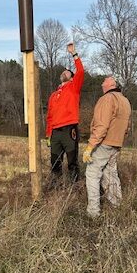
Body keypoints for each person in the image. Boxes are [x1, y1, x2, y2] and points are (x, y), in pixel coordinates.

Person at [82, 76, 131, 217]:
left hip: (104, 143)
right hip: (116, 144)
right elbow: (127, 127)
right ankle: (118, 207)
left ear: (111, 84)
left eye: (104, 81)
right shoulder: (125, 101)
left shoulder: (107, 99)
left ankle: (93, 213)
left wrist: (91, 146)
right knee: (110, 174)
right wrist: (119, 140)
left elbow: (102, 125)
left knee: (92, 174)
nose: (102, 83)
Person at [45, 43, 84, 184]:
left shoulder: (73, 87)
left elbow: (80, 71)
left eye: (67, 71)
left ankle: (74, 189)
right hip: (55, 132)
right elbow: (49, 116)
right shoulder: (53, 95)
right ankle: (56, 189)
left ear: (72, 78)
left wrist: (74, 53)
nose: (64, 71)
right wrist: (49, 134)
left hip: (69, 129)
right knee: (55, 163)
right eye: (64, 71)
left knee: (72, 162)